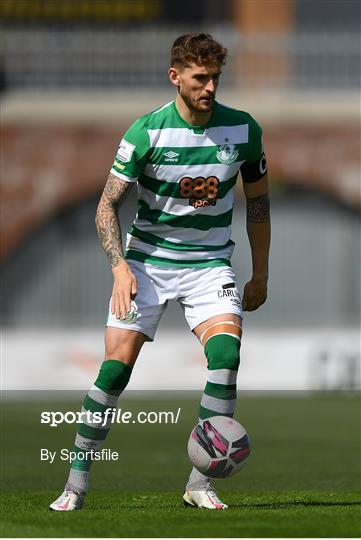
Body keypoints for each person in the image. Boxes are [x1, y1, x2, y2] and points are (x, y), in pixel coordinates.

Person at [49, 32, 270, 511]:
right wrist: (120, 270)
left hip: (210, 266)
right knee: (113, 373)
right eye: (199, 78)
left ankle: (199, 484)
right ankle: (74, 485)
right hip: (146, 264)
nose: (209, 87)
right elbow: (106, 207)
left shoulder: (244, 130)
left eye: (214, 78)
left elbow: (259, 206)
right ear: (176, 77)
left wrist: (260, 274)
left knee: (226, 356)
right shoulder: (146, 133)